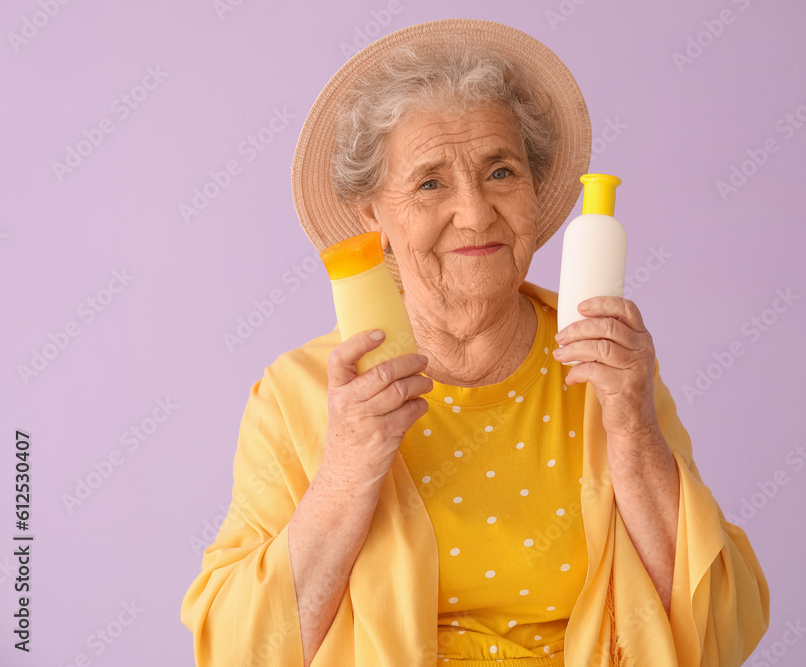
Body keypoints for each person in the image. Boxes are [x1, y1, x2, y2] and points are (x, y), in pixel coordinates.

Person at [180, 18, 769, 667]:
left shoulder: (608, 364)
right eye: (431, 181)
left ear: (536, 188)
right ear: (371, 215)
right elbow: (242, 650)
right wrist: (346, 473)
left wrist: (631, 429)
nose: (475, 211)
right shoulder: (299, 394)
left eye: (500, 171)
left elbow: (720, 629)